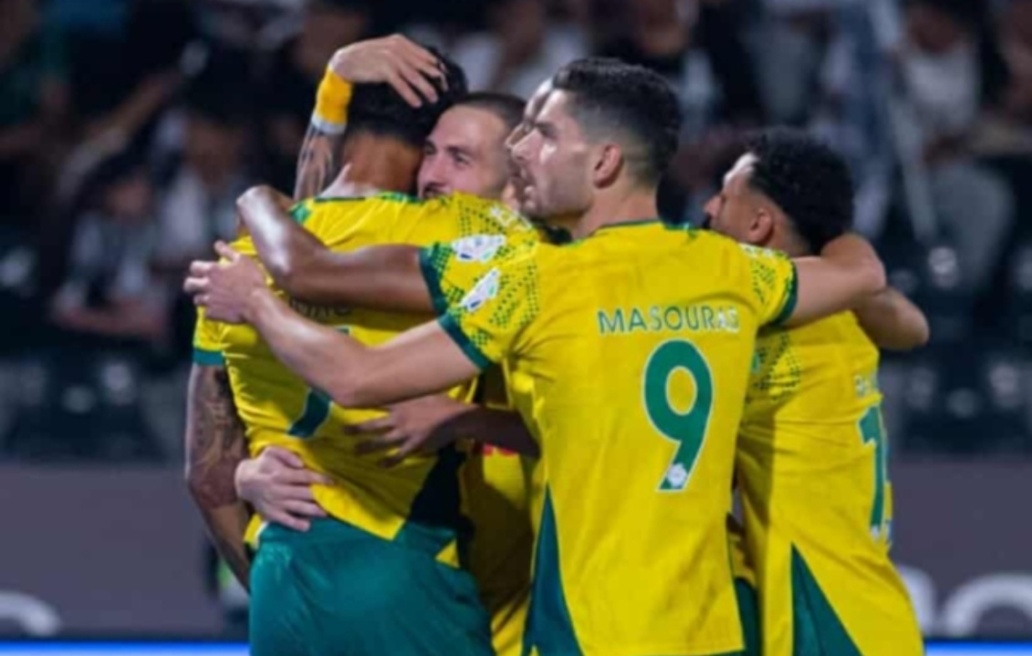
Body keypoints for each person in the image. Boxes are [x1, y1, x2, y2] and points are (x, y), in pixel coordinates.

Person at [187, 57, 887, 654]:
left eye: (543, 135)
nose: (523, 148)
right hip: (706, 627)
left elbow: (350, 363)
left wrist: (257, 295)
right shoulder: (727, 270)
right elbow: (862, 275)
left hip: (585, 624)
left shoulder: (526, 279)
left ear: (604, 162)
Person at [184, 39, 524, 655]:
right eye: (439, 151)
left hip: (284, 580)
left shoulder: (239, 265)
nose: (440, 174)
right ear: (427, 139)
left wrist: (268, 584)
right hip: (406, 570)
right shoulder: (467, 233)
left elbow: (207, 477)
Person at [706, 129, 926, 655]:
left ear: (759, 225)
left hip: (824, 621)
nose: (709, 208)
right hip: (870, 615)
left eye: (725, 196)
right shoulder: (849, 310)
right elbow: (914, 327)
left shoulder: (760, 326)